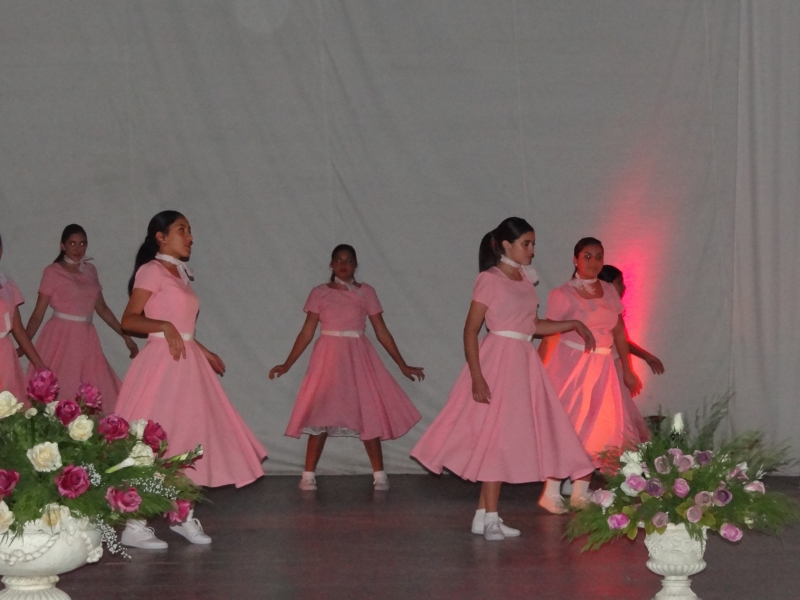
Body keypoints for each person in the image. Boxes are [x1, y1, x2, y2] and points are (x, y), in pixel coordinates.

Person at [411, 218, 596, 541]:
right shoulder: (489, 280)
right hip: (497, 362)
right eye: (526, 243)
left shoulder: (525, 280)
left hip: (522, 363)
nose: (532, 250)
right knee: (495, 440)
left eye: (533, 243)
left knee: (504, 437)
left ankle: (483, 516)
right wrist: (477, 376)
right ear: (506, 245)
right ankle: (491, 517)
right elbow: (470, 330)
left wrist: (572, 324)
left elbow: (531, 326)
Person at [116, 211, 267, 549]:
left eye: (190, 231)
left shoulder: (179, 273)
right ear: (161, 236)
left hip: (186, 365)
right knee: (152, 441)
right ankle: (135, 523)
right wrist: (165, 327)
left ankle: (182, 515)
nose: (190, 237)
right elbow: (130, 319)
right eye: (182, 230)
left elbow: (180, 326)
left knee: (187, 438)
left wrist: (202, 349)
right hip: (161, 367)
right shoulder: (151, 270)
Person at [270, 244, 424, 492]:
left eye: (349, 260)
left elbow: (381, 331)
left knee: (367, 411)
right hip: (328, 357)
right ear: (331, 264)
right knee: (320, 412)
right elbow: (307, 331)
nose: (343, 265)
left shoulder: (366, 292)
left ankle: (379, 474)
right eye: (339, 260)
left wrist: (402, 364)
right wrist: (288, 363)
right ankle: (308, 474)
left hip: (358, 356)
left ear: (355, 265)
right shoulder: (320, 293)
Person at [538, 238, 649, 506]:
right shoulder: (562, 294)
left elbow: (619, 331)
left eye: (599, 256)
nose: (593, 262)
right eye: (587, 256)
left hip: (602, 369)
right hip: (571, 368)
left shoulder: (609, 290)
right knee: (570, 427)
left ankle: (580, 491)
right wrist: (539, 371)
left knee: (599, 430)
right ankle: (551, 492)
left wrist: (628, 370)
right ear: (575, 259)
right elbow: (550, 335)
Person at [23, 224, 138, 412]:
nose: (78, 248)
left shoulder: (90, 271)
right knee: (60, 385)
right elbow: (38, 314)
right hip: (60, 337)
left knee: (97, 387)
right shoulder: (53, 271)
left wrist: (126, 336)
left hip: (86, 338)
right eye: (73, 243)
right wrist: (24, 342)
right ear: (62, 245)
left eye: (82, 243)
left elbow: (102, 309)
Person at [0, 233, 47, 399]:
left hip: (5, 353)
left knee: (9, 405)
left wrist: (40, 364)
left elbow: (18, 330)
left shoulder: (7, 284)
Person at [597, 264, 665, 376]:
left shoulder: (610, 309)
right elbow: (620, 342)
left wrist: (646, 356)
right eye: (619, 283)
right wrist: (628, 372)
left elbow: (621, 341)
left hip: (610, 366)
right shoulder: (601, 312)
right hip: (604, 368)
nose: (624, 287)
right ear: (606, 285)